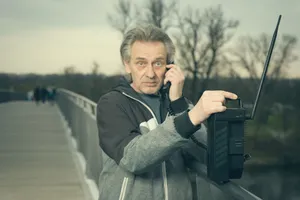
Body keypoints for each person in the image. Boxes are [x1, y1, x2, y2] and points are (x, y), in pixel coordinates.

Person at [96, 24, 238, 200]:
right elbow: (133, 159)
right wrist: (191, 117)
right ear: (127, 64)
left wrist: (179, 104)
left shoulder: (178, 105)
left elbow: (206, 156)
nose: (150, 73)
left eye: (158, 63)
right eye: (141, 63)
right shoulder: (112, 103)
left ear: (169, 66)